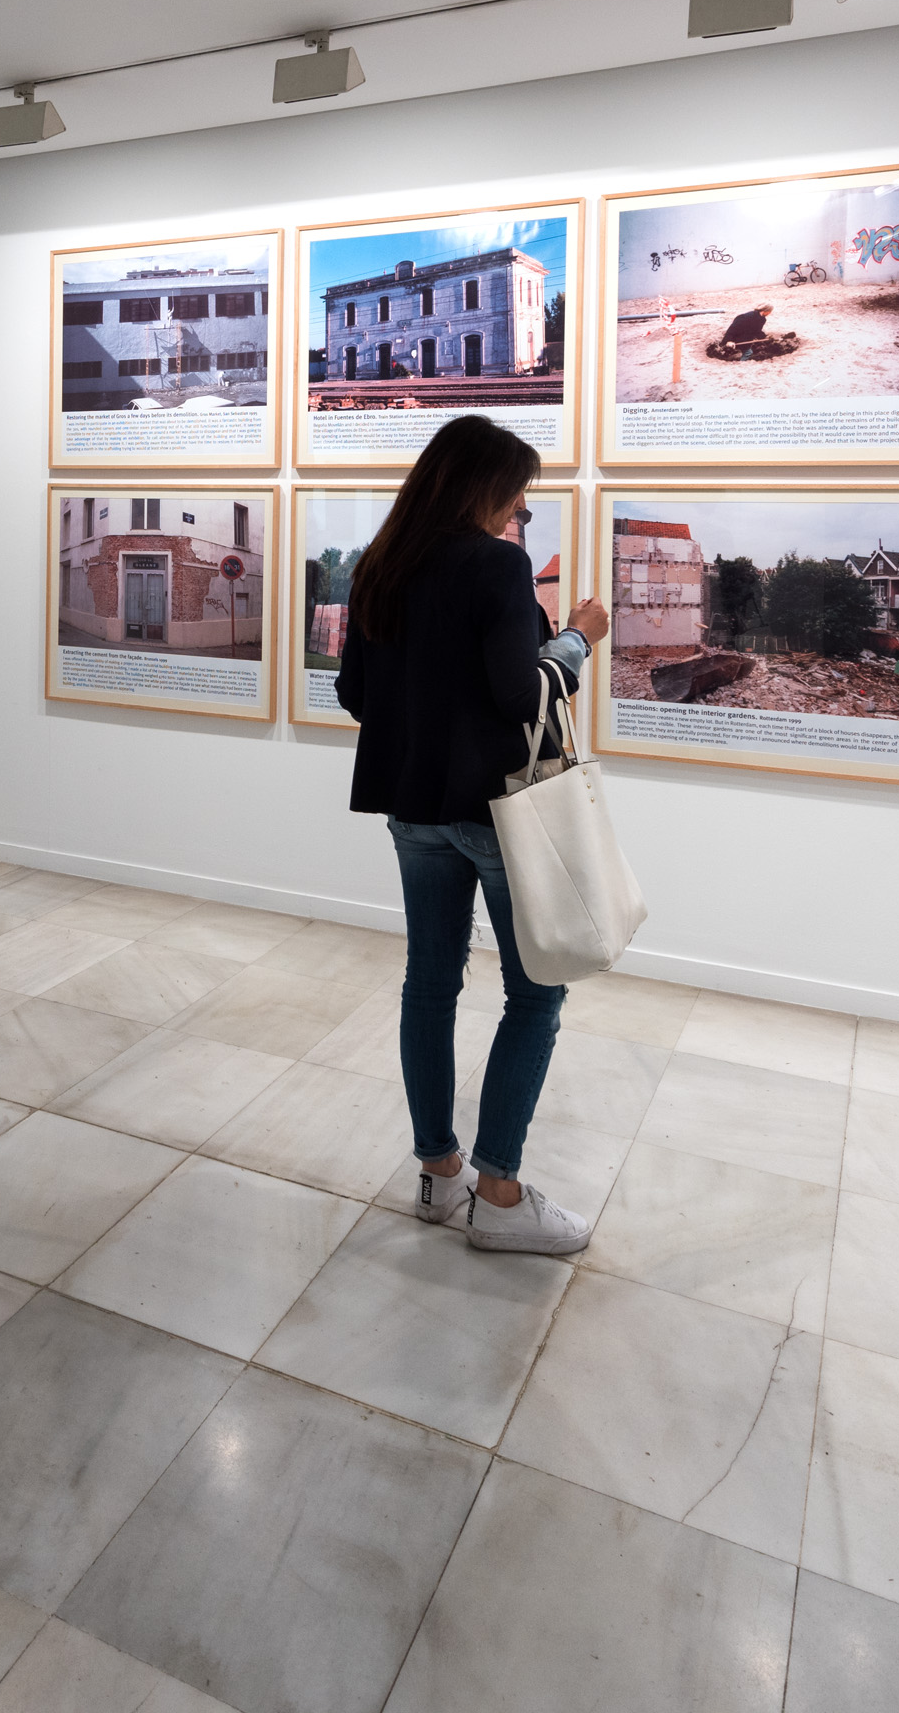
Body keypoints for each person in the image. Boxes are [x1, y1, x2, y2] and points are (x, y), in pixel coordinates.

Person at [334, 416, 610, 1255]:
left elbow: (356, 695)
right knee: (536, 993)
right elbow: (522, 697)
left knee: (429, 984)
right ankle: (499, 1194)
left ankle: (439, 1171)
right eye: (517, 495)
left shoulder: (381, 564)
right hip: (499, 815)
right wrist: (577, 639)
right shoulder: (497, 565)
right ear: (482, 488)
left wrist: (428, 718)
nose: (520, 511)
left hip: (413, 811)